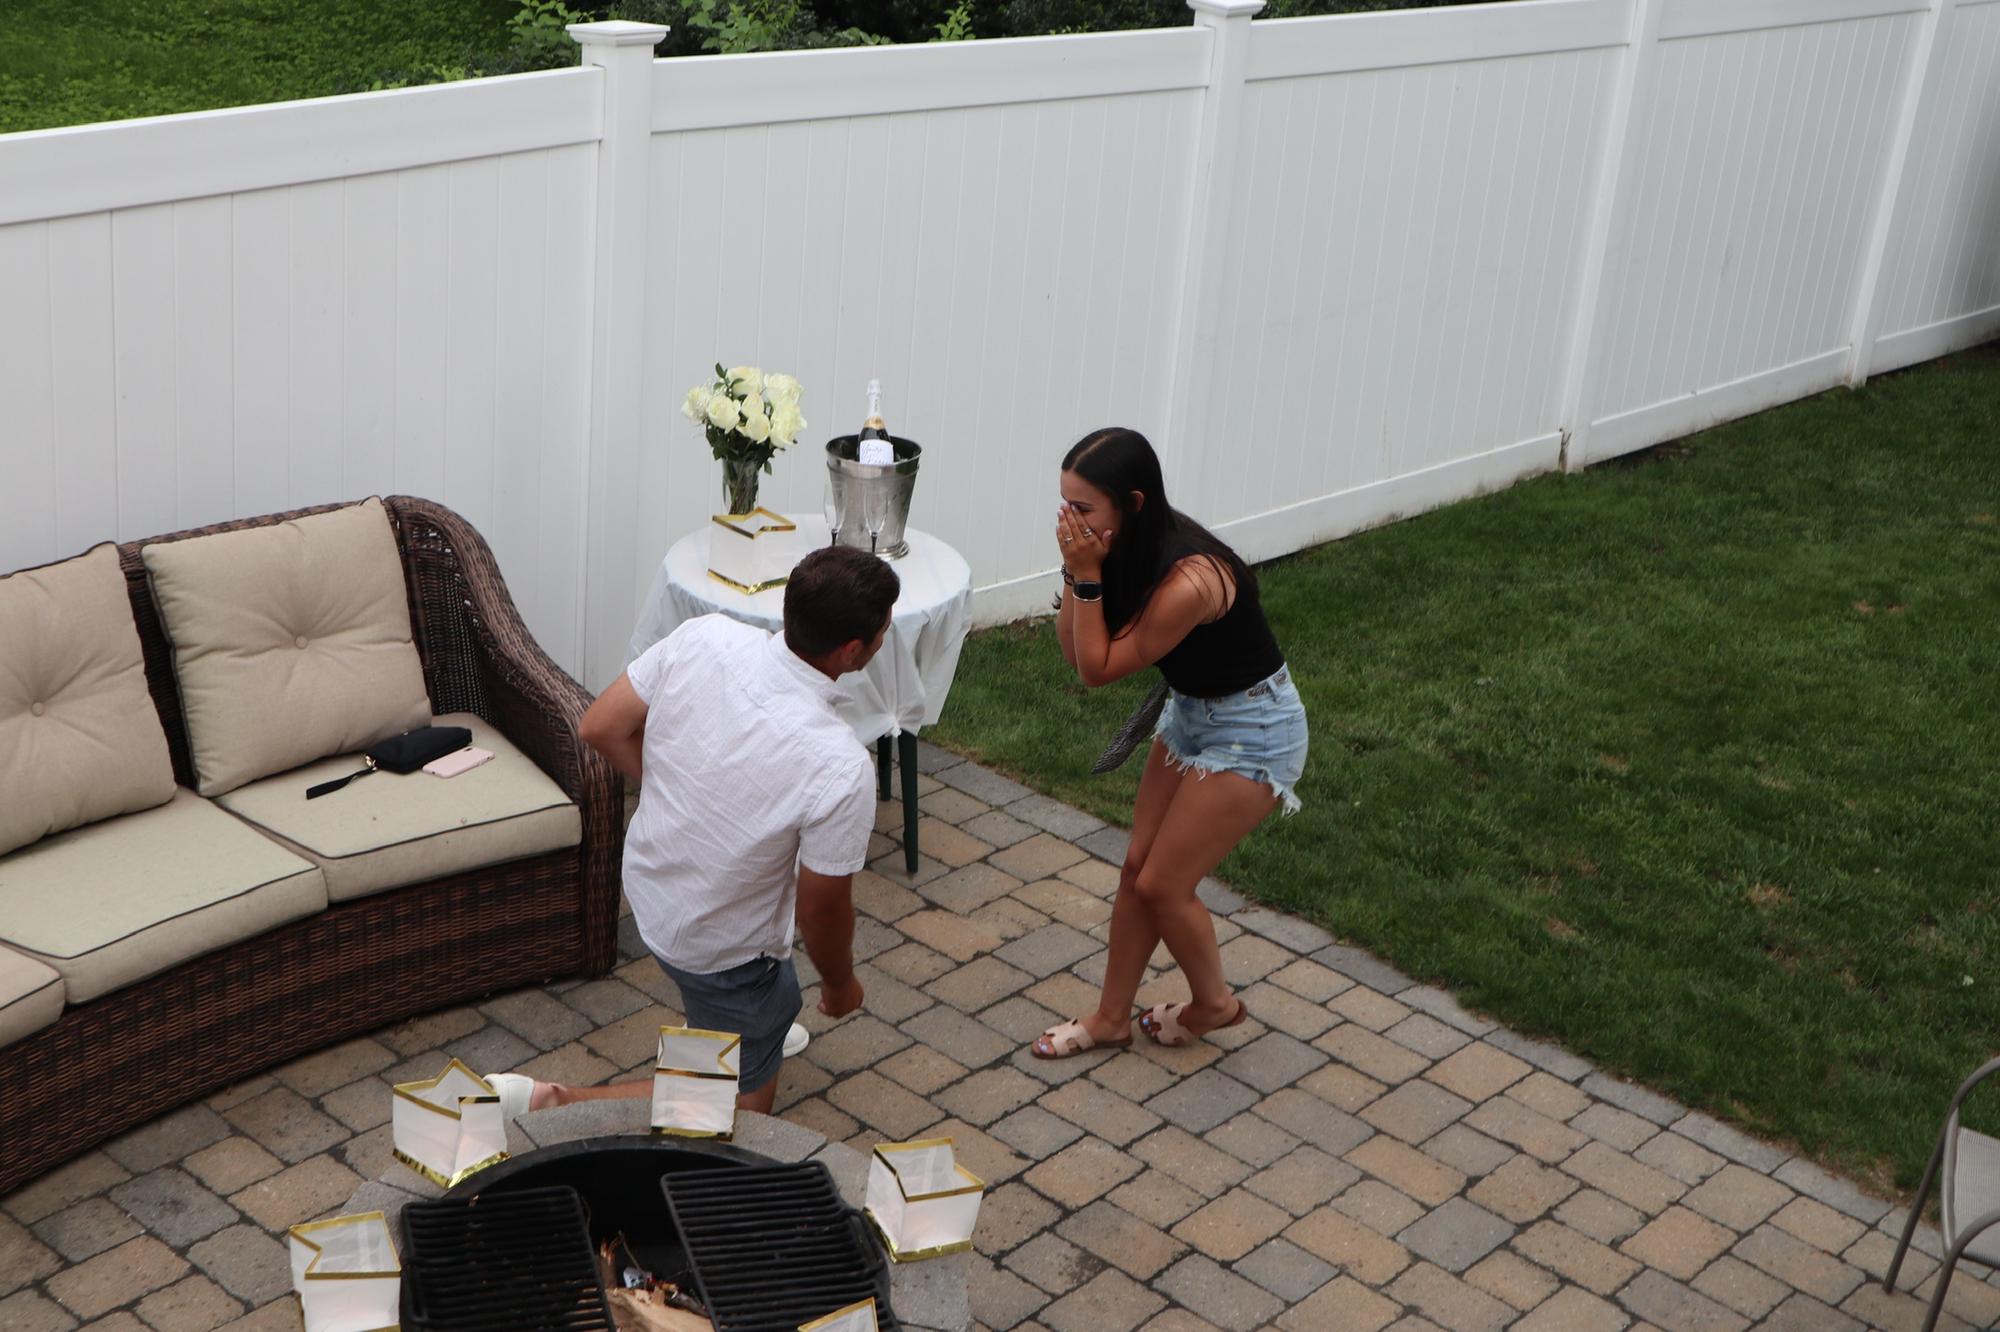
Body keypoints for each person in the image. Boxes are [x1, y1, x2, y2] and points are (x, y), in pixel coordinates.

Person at [490, 546, 899, 1115]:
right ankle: (555, 1103)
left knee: (757, 1010)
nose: (884, 638)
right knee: (737, 1109)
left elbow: (600, 726)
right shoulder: (840, 767)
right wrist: (839, 985)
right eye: (883, 631)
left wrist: (680, 785)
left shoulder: (706, 636)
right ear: (853, 650)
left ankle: (738, 1033)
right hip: (721, 950)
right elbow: (820, 912)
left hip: (652, 888)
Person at [1032, 427, 1308, 1058]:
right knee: (1137, 868)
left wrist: (1085, 573)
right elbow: (1075, 650)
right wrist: (1079, 572)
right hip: (1191, 714)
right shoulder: (1120, 546)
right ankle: (1110, 1019)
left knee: (1162, 884)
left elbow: (1098, 670)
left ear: (1131, 503)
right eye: (1065, 504)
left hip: (1255, 731)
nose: (1069, 521)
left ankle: (1215, 1004)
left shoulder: (1191, 578)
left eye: (1082, 508)